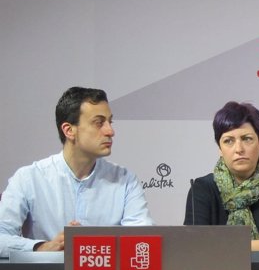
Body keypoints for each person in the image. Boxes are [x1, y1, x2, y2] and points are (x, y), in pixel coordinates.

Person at [0, 86, 154, 256]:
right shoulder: (28, 178)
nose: (110, 131)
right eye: (99, 123)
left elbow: (143, 241)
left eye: (110, 122)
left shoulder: (125, 180)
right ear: (69, 130)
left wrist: (91, 244)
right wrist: (41, 247)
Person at [184, 101, 259, 251]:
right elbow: (195, 246)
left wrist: (218, 246)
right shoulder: (201, 189)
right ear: (220, 148)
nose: (239, 149)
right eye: (228, 141)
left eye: (246, 139)